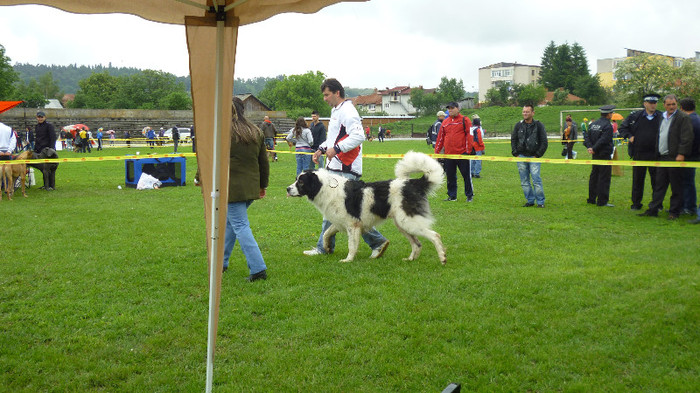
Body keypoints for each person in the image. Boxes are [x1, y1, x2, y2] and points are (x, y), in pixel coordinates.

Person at [304, 78, 389, 258]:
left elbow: (358, 136)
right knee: (334, 210)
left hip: (345, 168)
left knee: (346, 213)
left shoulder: (348, 111)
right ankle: (325, 246)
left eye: (327, 95)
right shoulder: (337, 111)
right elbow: (334, 139)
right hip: (336, 166)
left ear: (337, 93)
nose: (324, 99)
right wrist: (321, 149)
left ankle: (376, 241)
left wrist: (336, 149)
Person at [222, 97, 270, 282]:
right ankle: (221, 262)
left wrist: (199, 177)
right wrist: (262, 185)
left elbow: (211, 157)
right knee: (231, 224)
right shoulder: (255, 130)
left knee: (240, 226)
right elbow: (263, 162)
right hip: (250, 188)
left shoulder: (223, 131)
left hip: (233, 189)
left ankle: (258, 269)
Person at [639, 94, 694, 220]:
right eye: (668, 104)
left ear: (677, 105)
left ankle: (674, 212)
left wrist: (681, 154)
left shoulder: (683, 117)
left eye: (673, 104)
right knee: (659, 185)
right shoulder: (662, 117)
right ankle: (653, 209)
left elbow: (687, 137)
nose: (671, 107)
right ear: (664, 105)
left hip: (674, 158)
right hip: (662, 157)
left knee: (676, 186)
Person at [618, 93, 663, 210]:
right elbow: (622, 128)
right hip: (639, 153)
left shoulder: (662, 116)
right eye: (651, 103)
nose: (653, 105)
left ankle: (657, 204)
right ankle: (636, 203)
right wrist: (629, 136)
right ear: (645, 104)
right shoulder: (635, 116)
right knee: (638, 180)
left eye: (655, 103)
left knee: (656, 181)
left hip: (656, 154)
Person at [435, 101, 474, 202]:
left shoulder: (465, 120)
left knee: (466, 176)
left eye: (452, 108)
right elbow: (440, 138)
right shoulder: (445, 122)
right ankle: (452, 196)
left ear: (458, 108)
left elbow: (470, 136)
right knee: (450, 176)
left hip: (462, 154)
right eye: (449, 108)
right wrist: (437, 152)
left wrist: (467, 151)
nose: (450, 110)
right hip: (448, 155)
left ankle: (469, 195)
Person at [511, 104, 548, 207]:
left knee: (536, 179)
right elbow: (513, 139)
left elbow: (544, 142)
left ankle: (540, 202)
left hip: (534, 157)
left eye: (527, 112)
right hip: (521, 156)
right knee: (524, 180)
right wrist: (515, 153)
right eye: (524, 111)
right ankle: (530, 200)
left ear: (533, 113)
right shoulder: (518, 125)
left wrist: (537, 155)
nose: (525, 113)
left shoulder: (539, 126)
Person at [584, 105, 616, 207]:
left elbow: (587, 137)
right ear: (609, 114)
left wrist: (590, 147)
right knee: (604, 177)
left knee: (594, 176)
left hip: (595, 155)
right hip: (604, 154)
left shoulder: (593, 124)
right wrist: (594, 148)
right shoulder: (607, 126)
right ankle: (602, 201)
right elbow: (604, 140)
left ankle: (591, 198)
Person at [679, 97, 700, 222]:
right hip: (695, 154)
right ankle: (689, 206)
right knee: (688, 182)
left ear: (681, 108)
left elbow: (686, 139)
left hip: (689, 155)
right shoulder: (697, 119)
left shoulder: (687, 120)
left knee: (686, 182)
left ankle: (688, 206)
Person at [33, 111, 58, 190]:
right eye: (39, 117)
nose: (40, 118)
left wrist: (51, 149)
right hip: (40, 151)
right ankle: (45, 185)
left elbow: (53, 137)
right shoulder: (37, 127)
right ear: (37, 118)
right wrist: (35, 149)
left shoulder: (49, 126)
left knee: (49, 169)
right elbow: (37, 139)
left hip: (48, 150)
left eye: (42, 117)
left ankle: (51, 186)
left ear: (45, 117)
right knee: (43, 169)